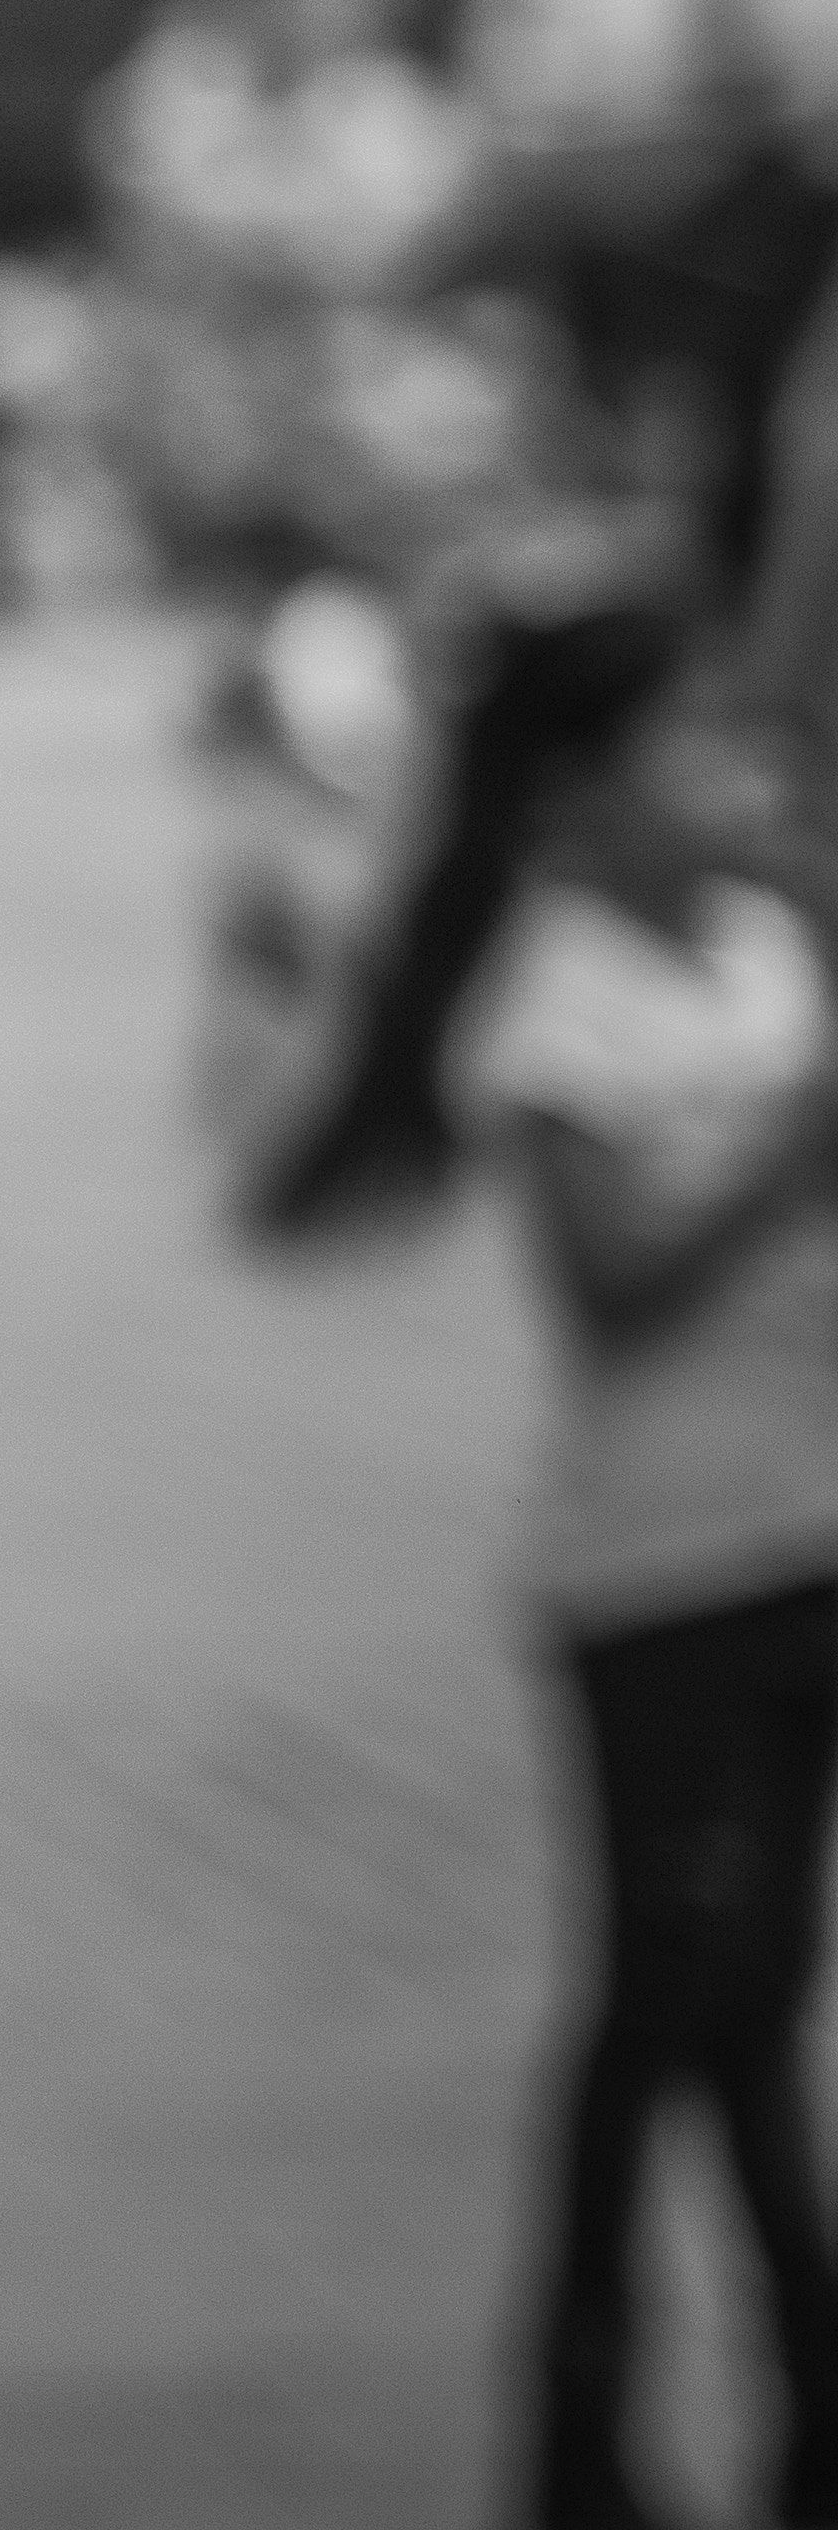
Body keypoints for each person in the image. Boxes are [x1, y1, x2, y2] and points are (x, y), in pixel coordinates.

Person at [451, 675, 838, 2530]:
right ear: (591, 788)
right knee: (660, 1990)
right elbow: (606, 1287)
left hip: (811, 1535)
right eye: (700, 744)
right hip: (652, 1568)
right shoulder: (555, 998)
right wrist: (790, 1152)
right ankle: (580, 2410)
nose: (741, 777)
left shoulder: (780, 942)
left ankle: (809, 2393)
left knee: (762, 1989)